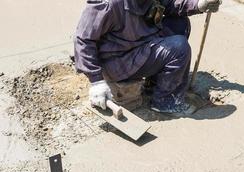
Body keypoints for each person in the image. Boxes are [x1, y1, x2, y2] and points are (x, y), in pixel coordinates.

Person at [74, 0, 221, 115]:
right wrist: (96, 80)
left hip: (140, 41)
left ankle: (155, 83)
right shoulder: (110, 3)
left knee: (179, 23)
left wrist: (199, 4)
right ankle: (166, 101)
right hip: (119, 59)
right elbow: (83, 39)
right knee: (179, 48)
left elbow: (170, 4)